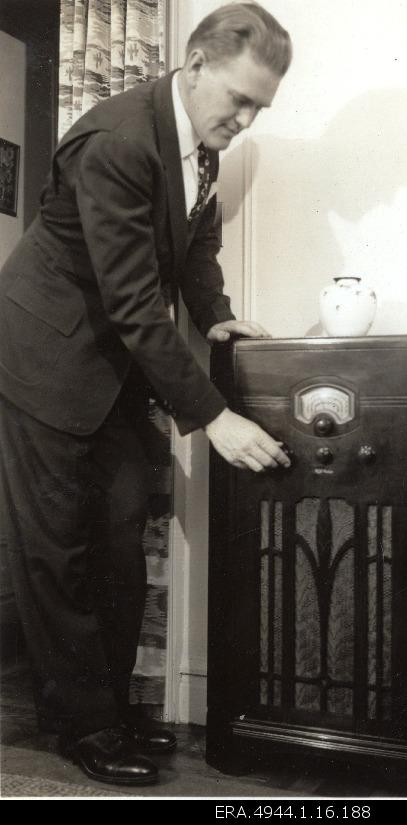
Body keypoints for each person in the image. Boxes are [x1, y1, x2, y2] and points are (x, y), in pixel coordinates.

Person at [0, 3, 292, 787]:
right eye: (238, 99)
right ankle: (84, 726)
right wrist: (215, 417)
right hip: (43, 357)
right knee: (58, 552)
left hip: (112, 367)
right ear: (194, 65)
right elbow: (133, 300)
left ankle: (109, 709)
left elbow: (194, 245)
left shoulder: (203, 147)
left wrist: (217, 315)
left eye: (260, 107)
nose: (245, 120)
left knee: (121, 544)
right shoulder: (119, 140)